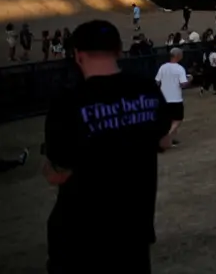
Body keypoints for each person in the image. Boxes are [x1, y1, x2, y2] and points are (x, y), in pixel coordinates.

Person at [43, 20, 171, 273]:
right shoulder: (146, 89)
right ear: (119, 50)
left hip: (80, 233)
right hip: (134, 226)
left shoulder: (68, 103)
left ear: (78, 55)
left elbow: (58, 173)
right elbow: (163, 140)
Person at [154, 47, 190, 148]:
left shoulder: (163, 67)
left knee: (168, 119)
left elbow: (157, 81)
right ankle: (167, 136)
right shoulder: (179, 69)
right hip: (175, 98)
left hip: (164, 97)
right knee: (178, 119)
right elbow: (183, 84)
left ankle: (170, 139)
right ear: (178, 56)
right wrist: (189, 80)